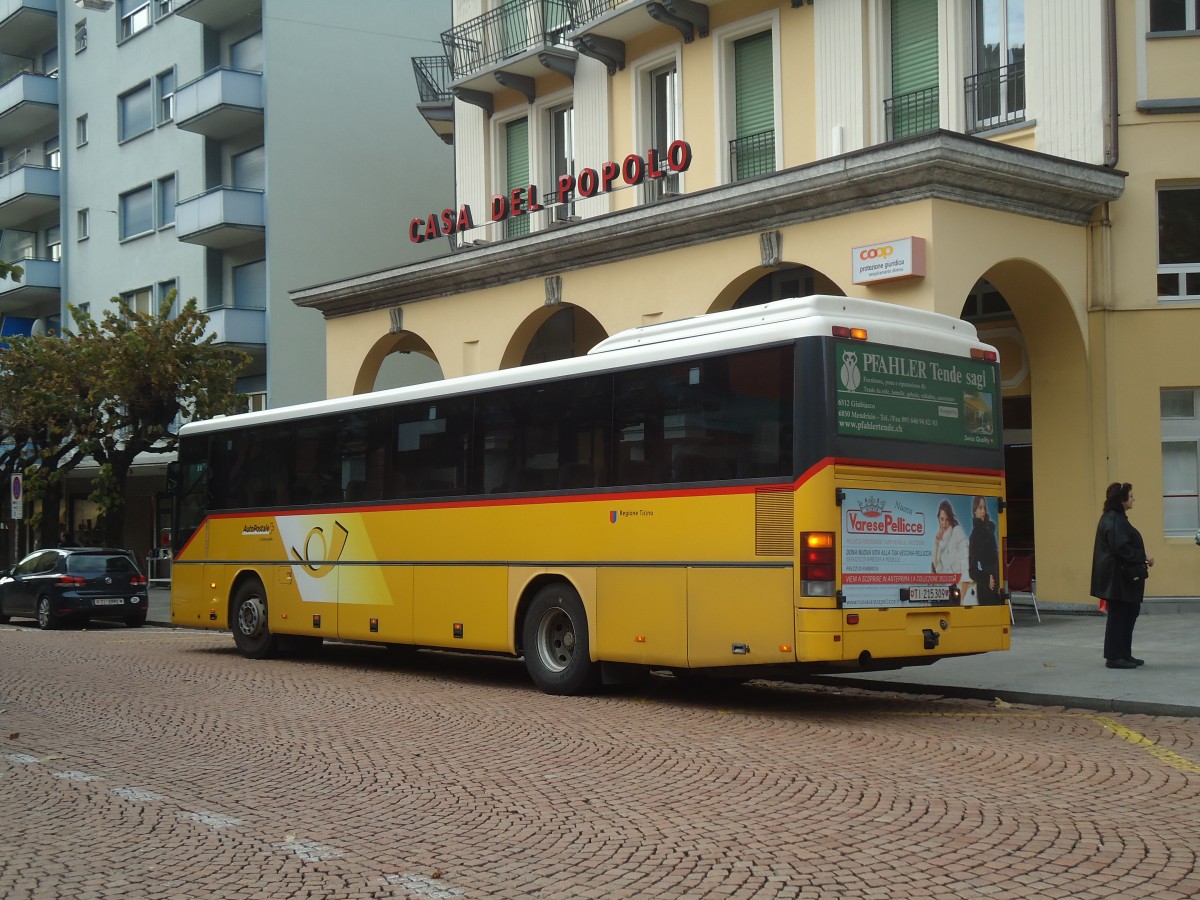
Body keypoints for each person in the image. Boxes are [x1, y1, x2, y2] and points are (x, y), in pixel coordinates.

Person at [1091, 482, 1154, 669]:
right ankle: (1114, 657)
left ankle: (1124, 654)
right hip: (1117, 579)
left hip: (1122, 578)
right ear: (1121, 499)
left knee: (1129, 613)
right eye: (1131, 495)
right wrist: (1143, 556)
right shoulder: (1114, 519)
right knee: (1119, 616)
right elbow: (1121, 548)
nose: (1134, 498)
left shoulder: (1116, 518)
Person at [931, 499, 969, 595]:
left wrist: (962, 599)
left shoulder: (957, 531)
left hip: (961, 589)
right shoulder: (941, 540)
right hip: (947, 591)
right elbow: (936, 569)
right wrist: (936, 544)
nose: (943, 524)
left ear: (951, 519)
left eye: (947, 519)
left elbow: (966, 565)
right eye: (941, 519)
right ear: (938, 519)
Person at [968, 496, 1000, 605]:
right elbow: (972, 569)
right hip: (987, 585)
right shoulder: (975, 535)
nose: (983, 511)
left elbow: (995, 558)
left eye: (984, 508)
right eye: (980, 508)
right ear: (974, 511)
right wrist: (986, 579)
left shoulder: (988, 530)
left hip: (996, 578)